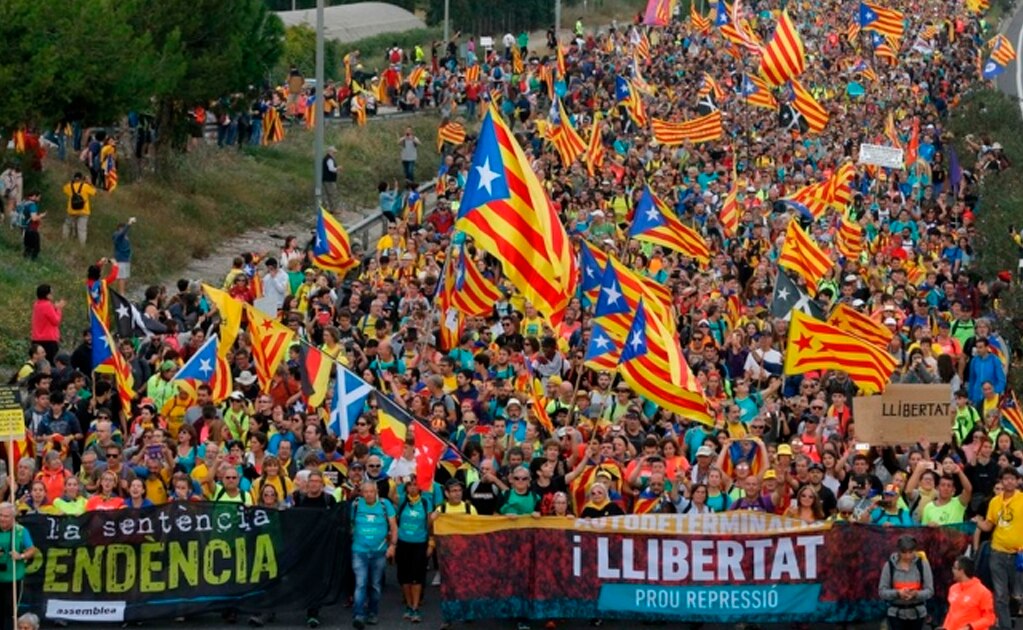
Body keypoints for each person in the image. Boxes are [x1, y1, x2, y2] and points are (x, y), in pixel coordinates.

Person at [974, 466, 1023, 630]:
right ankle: (1005, 627)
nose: (1009, 481)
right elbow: (988, 526)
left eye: (1012, 478)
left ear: (1017, 481)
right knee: (1000, 595)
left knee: (1019, 595)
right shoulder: (995, 502)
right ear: (1001, 481)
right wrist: (977, 522)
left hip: (1019, 556)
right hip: (997, 552)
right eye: (1006, 478)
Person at [350, 480, 397, 630]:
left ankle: (373, 612)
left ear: (376, 491)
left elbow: (394, 526)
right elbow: (350, 524)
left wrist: (393, 546)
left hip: (379, 551)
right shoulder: (356, 505)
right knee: (360, 583)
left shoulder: (385, 505)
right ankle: (358, 615)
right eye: (366, 492)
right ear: (362, 493)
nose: (369, 494)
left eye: (372, 491)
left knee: (375, 585)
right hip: (359, 550)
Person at [393, 477, 432, 623]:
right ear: (407, 488)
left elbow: (429, 525)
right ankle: (408, 606)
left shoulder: (425, 502)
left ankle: (416, 608)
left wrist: (431, 544)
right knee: (404, 577)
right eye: (410, 485)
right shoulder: (403, 501)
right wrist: (397, 482)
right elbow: (392, 497)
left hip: (419, 544)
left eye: (416, 485)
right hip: (403, 543)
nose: (413, 488)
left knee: (417, 577)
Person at [878, 535, 933, 630]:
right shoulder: (889, 566)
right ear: (898, 551)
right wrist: (898, 593)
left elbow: (930, 591)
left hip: (918, 615)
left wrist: (916, 594)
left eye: (911, 552)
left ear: (915, 550)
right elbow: (882, 592)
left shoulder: (923, 564)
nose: (908, 556)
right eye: (904, 553)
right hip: (895, 615)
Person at [0, 502, 38, 630]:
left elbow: (32, 550)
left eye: (6, 516)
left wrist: (20, 556)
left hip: (13, 578)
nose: (2, 519)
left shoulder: (21, 531)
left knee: (10, 612)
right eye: (0, 515)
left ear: (13, 517)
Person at [940, 555, 996, 630]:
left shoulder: (983, 592)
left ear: (962, 571)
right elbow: (951, 613)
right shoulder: (953, 589)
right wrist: (945, 627)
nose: (952, 570)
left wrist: (970, 627)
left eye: (954, 568)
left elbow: (989, 618)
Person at [30, 284, 64, 363]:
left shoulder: (37, 304)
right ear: (47, 295)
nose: (52, 295)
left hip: (36, 339)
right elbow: (56, 321)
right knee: (50, 364)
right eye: (51, 293)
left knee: (37, 364)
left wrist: (55, 308)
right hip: (48, 340)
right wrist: (59, 309)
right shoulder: (47, 305)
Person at [61, 171, 96, 245]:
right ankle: (82, 245)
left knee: (67, 225)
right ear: (81, 179)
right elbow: (94, 192)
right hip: (84, 211)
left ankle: (65, 240)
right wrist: (90, 183)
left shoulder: (69, 186)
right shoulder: (86, 186)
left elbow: (64, 189)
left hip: (71, 210)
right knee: (82, 229)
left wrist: (71, 181)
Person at [17, 190, 43, 260]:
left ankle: (25, 261)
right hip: (31, 229)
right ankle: (32, 262)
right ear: (34, 196)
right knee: (35, 249)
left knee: (27, 248)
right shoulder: (32, 205)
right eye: (39, 197)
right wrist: (40, 216)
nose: (39, 199)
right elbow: (34, 218)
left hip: (23, 227)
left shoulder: (24, 202)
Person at [322, 146, 340, 212]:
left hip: (327, 179)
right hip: (329, 180)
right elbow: (331, 169)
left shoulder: (327, 158)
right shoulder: (329, 159)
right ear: (330, 152)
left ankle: (330, 208)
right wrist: (338, 168)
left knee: (329, 194)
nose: (335, 154)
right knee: (332, 194)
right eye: (334, 152)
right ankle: (333, 209)